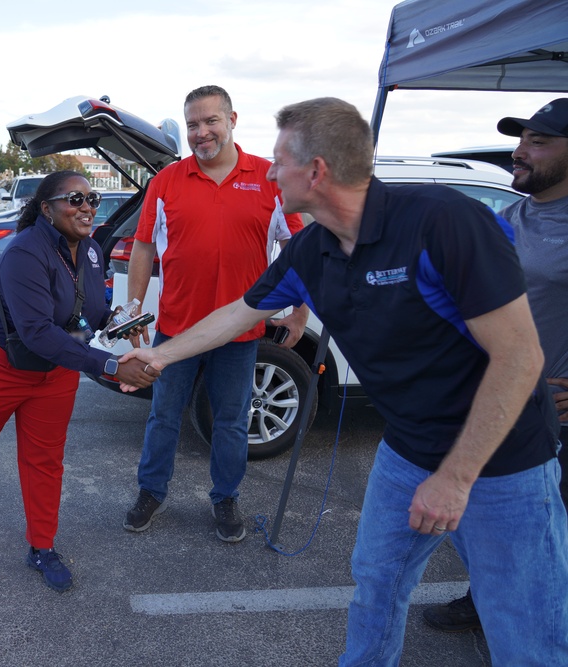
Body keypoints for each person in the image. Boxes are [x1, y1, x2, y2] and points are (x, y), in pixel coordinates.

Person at [120, 97, 568, 665]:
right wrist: (160, 358)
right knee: (376, 587)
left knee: (523, 627)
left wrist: (455, 478)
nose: (271, 171)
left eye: (281, 161)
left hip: (502, 462)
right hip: (406, 453)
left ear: (318, 171)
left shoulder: (443, 221)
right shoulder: (312, 249)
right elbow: (240, 312)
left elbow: (519, 357)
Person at [0, 171, 158, 591]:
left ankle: (42, 547)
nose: (87, 206)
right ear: (47, 208)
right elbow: (37, 332)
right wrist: (109, 366)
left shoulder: (90, 250)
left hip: (54, 373)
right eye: (75, 199)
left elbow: (86, 312)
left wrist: (117, 321)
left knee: (45, 461)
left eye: (93, 198)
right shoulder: (23, 254)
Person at [123, 84, 306, 541]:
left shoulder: (269, 178)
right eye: (192, 125)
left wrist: (300, 310)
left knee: (230, 422)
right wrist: (132, 308)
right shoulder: (166, 181)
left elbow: (300, 249)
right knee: (163, 418)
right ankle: (151, 492)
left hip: (239, 335)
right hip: (176, 331)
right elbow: (143, 248)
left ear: (232, 120)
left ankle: (225, 498)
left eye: (210, 122)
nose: (201, 133)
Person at [423, 98, 568, 635]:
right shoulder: (508, 217)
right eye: (522, 139)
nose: (521, 151)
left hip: (557, 413)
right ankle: (485, 598)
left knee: (546, 538)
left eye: (540, 141)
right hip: (503, 401)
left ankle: (532, 630)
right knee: (495, 521)